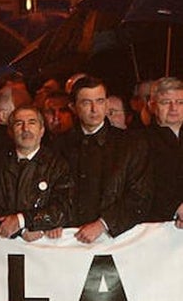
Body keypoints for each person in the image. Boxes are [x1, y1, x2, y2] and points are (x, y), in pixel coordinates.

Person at [52, 76, 150, 243]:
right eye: (86, 102)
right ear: (73, 107)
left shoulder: (130, 144)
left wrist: (103, 224)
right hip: (66, 240)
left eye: (99, 101)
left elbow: (140, 195)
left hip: (115, 240)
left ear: (106, 104)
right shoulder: (59, 145)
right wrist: (52, 220)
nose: (94, 109)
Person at [0, 106, 72, 241]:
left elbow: (62, 208)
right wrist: (21, 230)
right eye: (19, 123)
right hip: (2, 246)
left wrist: (24, 221)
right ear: (10, 131)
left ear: (42, 130)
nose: (25, 129)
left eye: (32, 123)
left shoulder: (57, 165)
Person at [138, 77, 183, 225]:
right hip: (159, 225)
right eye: (166, 102)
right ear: (152, 106)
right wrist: (177, 209)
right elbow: (142, 186)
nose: (174, 108)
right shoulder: (140, 141)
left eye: (180, 102)